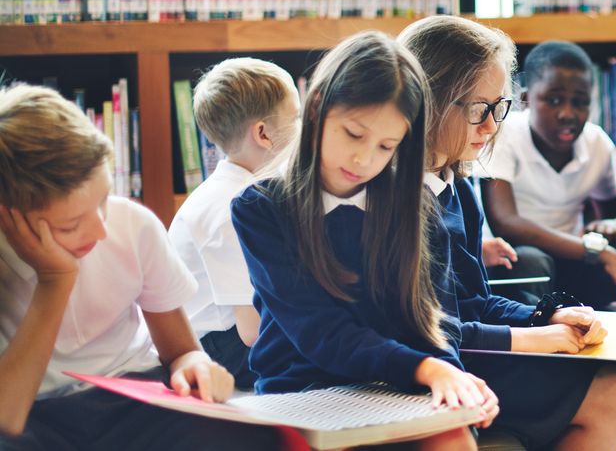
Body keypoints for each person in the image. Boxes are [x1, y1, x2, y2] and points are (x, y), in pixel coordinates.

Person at [400, 16, 616, 450]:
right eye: (477, 109)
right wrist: (533, 337)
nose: (490, 128)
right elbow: (435, 330)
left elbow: (476, 300)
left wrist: (547, 315)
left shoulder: (459, 183)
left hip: (471, 347)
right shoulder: (402, 197)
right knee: (614, 393)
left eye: (498, 108)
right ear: (428, 99)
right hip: (438, 363)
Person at [232, 32, 493, 450]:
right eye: (354, 134)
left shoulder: (414, 204)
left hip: (395, 382)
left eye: (386, 146)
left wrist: (451, 376)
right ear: (317, 109)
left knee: (455, 440)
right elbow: (322, 334)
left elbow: (436, 319)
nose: (364, 159)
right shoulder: (261, 208)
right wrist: (429, 370)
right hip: (303, 392)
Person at [0, 84, 276, 450]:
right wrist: (55, 281)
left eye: (103, 200)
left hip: (132, 395)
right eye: (71, 224)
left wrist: (195, 366)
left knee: (247, 438)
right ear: (9, 217)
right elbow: (7, 416)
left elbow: (180, 350)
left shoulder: (131, 225)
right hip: (35, 411)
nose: (100, 229)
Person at [480, 39, 616, 312]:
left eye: (580, 102)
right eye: (553, 100)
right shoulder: (503, 134)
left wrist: (611, 225)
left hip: (575, 259)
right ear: (527, 99)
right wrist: (596, 250)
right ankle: (540, 348)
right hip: (516, 260)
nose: (567, 113)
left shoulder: (596, 143)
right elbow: (505, 223)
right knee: (530, 259)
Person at [169, 57, 300, 388]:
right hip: (216, 346)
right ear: (263, 134)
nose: (304, 130)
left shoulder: (252, 191)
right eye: (296, 118)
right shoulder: (231, 207)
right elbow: (252, 331)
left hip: (234, 336)